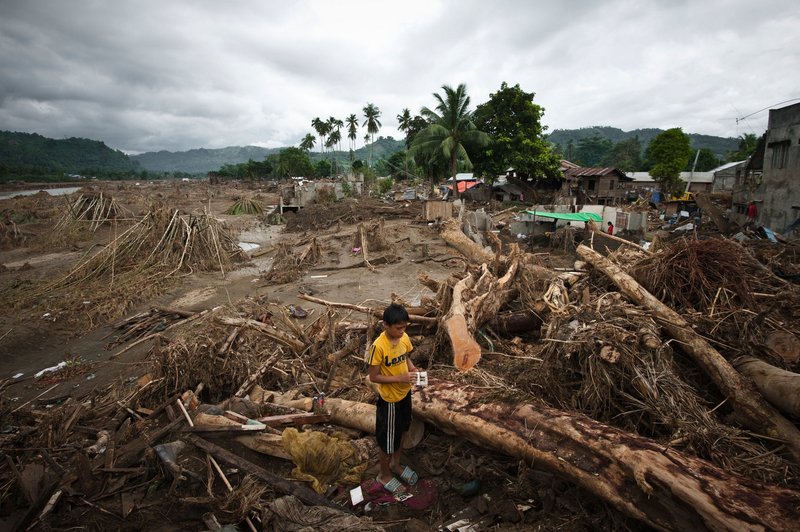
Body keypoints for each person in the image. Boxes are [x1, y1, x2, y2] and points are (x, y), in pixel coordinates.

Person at [368, 303, 421, 494]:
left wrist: (413, 369)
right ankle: (384, 475)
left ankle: (396, 464)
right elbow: (373, 377)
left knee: (402, 432)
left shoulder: (404, 338)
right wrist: (400, 377)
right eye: (398, 328)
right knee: (387, 440)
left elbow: (405, 357)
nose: (402, 331)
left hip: (404, 394)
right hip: (389, 401)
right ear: (386, 325)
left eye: (404, 327)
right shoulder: (378, 347)